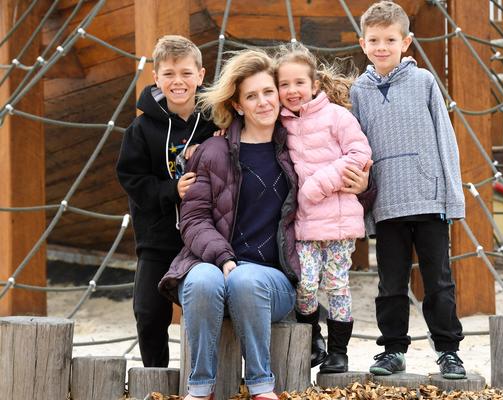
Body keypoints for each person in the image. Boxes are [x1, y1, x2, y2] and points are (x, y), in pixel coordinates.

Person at [158, 50, 371, 400]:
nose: (263, 102)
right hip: (213, 264)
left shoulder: (295, 147)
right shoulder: (213, 151)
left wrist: (363, 184)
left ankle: (260, 385)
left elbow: (345, 178)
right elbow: (194, 220)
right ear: (238, 105)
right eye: (251, 96)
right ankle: (200, 389)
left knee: (247, 278)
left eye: (268, 92)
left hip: (272, 278)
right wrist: (224, 258)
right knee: (200, 279)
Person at [350, 1, 467, 379]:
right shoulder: (359, 92)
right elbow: (359, 150)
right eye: (374, 40)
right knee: (391, 284)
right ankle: (393, 349)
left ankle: (449, 351)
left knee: (439, 282)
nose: (382, 46)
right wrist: (366, 210)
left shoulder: (424, 82)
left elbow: (445, 140)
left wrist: (452, 198)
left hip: (429, 198)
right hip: (387, 203)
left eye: (390, 39)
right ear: (362, 43)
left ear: (406, 42)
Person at [116, 35, 215, 367]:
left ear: (201, 75)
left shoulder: (218, 121)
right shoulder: (141, 129)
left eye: (186, 73)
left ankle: (203, 377)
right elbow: (132, 179)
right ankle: (155, 375)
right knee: (147, 311)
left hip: (206, 236)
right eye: (170, 74)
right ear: (156, 77)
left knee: (206, 307)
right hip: (158, 237)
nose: (178, 81)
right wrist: (172, 190)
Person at [275, 44, 372, 373]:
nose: (292, 91)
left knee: (337, 284)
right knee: (305, 284)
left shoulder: (337, 117)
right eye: (284, 84)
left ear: (314, 84)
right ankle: (313, 339)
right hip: (304, 225)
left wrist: (318, 185)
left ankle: (338, 351)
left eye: (299, 83)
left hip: (339, 222)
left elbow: (359, 155)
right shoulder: (280, 125)